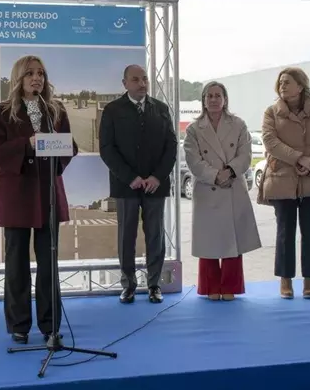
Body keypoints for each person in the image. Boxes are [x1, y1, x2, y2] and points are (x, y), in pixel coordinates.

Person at [0, 55, 77, 345]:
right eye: (30, 74)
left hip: (47, 194)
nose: (37, 78)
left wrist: (55, 148)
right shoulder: (4, 111)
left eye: (41, 74)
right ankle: (19, 325)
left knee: (49, 262)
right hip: (17, 195)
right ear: (19, 78)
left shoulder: (55, 110)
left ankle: (50, 326)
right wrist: (27, 145)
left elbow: (70, 147)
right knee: (17, 263)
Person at [98, 64, 177, 304]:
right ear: (125, 83)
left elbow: (171, 146)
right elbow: (107, 149)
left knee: (155, 236)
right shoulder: (112, 110)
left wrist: (157, 177)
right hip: (126, 186)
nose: (142, 84)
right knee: (127, 237)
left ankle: (154, 285)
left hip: (155, 185)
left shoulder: (161, 109)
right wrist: (130, 177)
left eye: (144, 79)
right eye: (136, 79)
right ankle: (129, 285)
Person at [258, 67, 310, 299]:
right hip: (282, 178)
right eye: (280, 82)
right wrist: (298, 158)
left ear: (301, 86)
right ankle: (285, 280)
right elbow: (270, 141)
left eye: (287, 82)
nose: (282, 86)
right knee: (285, 232)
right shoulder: (271, 112)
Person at [183, 82, 261, 301]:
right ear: (203, 100)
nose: (214, 99)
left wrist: (229, 171)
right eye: (209, 96)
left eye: (218, 95)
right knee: (208, 242)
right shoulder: (193, 129)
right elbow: (193, 160)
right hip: (207, 188)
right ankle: (210, 287)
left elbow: (245, 155)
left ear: (225, 99)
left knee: (232, 241)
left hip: (233, 187)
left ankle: (230, 286)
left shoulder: (239, 125)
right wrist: (215, 176)